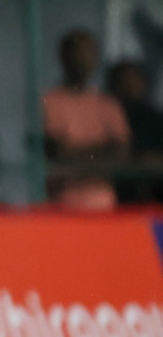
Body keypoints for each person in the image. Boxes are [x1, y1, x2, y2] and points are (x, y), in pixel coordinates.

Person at [44, 29, 129, 210]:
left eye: (88, 52)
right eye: (77, 52)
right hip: (62, 203)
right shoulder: (48, 101)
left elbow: (121, 153)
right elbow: (58, 152)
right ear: (63, 56)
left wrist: (76, 153)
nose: (82, 59)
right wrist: (101, 150)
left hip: (104, 203)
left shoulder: (108, 104)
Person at [105, 60, 163, 204]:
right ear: (112, 86)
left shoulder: (155, 119)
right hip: (121, 192)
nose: (130, 86)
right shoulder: (104, 116)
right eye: (122, 81)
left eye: (134, 80)